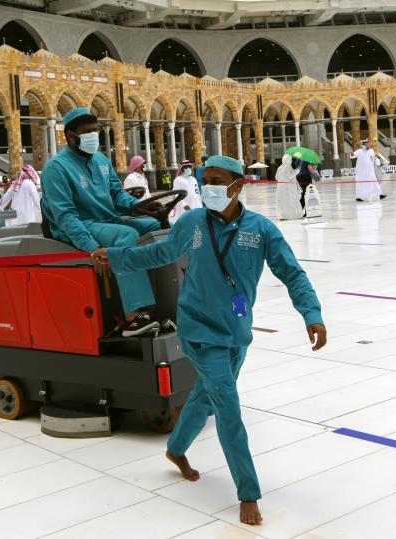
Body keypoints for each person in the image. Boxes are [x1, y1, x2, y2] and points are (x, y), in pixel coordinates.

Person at [90, 156, 327, 526]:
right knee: (228, 407)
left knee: (205, 395)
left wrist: (311, 314)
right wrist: (116, 256)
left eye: (217, 180)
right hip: (198, 332)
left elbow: (292, 274)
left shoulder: (261, 230)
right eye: (205, 180)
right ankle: (248, 492)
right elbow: (158, 253)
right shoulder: (191, 223)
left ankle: (175, 449)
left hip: (237, 331)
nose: (209, 187)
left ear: (238, 186)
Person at [41, 107, 161, 337]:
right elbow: (65, 216)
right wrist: (92, 248)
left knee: (155, 228)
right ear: (70, 136)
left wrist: (143, 206)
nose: (93, 136)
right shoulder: (56, 168)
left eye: (95, 131)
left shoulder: (101, 160)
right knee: (126, 236)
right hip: (81, 225)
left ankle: (167, 294)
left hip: (107, 220)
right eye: (87, 132)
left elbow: (117, 194)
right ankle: (134, 315)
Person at [275, 154, 303, 220]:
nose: (291, 160)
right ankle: (294, 215)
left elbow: (276, 177)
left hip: (280, 188)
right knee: (291, 201)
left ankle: (283, 216)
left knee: (283, 202)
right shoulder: (288, 167)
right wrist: (297, 170)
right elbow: (290, 176)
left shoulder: (280, 167)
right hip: (289, 188)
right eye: (290, 159)